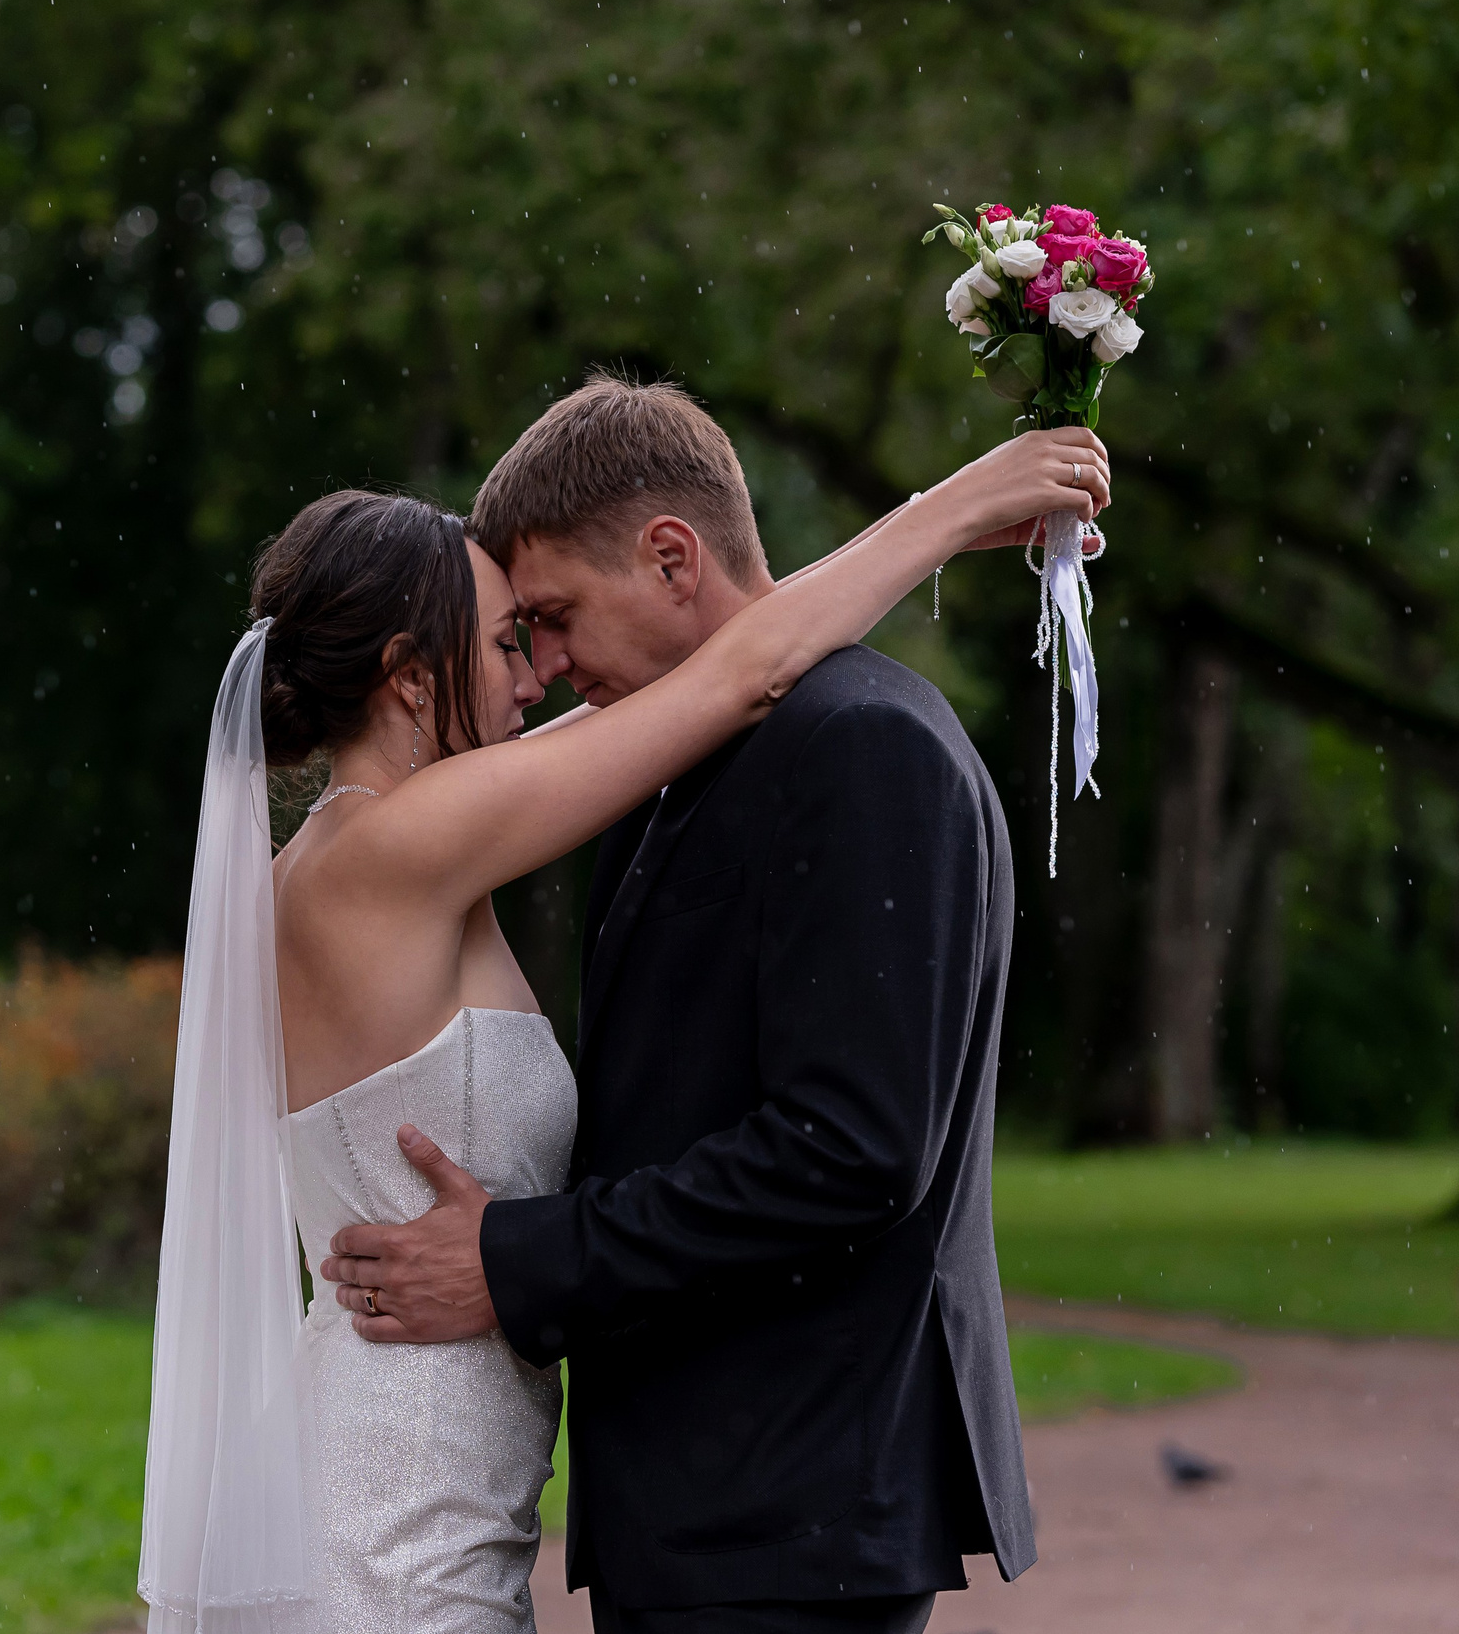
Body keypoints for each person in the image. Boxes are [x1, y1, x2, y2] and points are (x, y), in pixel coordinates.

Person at [138, 375, 1109, 1634]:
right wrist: (950, 506)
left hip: (437, 1485)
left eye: (541, 623)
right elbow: (739, 666)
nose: (537, 673)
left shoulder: (366, 850)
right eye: (505, 640)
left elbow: (731, 648)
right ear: (409, 679)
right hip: (389, 1513)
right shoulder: (401, 848)